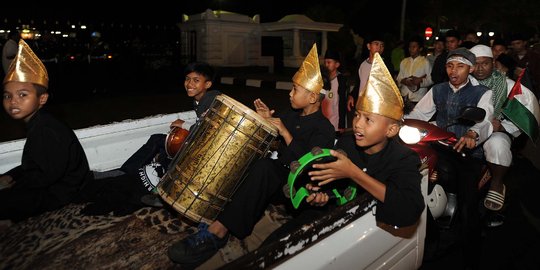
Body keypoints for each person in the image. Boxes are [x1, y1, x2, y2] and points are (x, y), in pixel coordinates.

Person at [166, 44, 335, 268]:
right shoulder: (291, 114)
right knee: (245, 157)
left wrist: (285, 133)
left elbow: (313, 168)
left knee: (264, 167)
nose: (290, 93)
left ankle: (218, 232)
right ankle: (210, 208)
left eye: (295, 89)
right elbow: (273, 141)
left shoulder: (324, 128)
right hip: (276, 175)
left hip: (297, 187)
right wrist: (266, 121)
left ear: (313, 97)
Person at [296, 52, 426, 232]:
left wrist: (354, 173)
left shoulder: (403, 159)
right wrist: (321, 194)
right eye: (357, 115)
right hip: (334, 222)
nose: (357, 124)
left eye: (368, 120)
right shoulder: (347, 143)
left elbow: (409, 209)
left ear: (391, 130)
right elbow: (333, 186)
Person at [406, 47, 494, 269]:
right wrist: (397, 121)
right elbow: (418, 114)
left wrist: (473, 134)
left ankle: (471, 256)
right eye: (450, 65)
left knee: (468, 206)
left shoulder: (482, 92)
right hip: (439, 146)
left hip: (467, 152)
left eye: (460, 66)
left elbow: (484, 120)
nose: (454, 71)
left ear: (471, 69)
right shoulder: (438, 89)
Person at [0, 40, 93, 224]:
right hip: (52, 184)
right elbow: (35, 166)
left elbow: (44, 176)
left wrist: (13, 187)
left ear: (42, 99)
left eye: (22, 95)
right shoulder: (38, 123)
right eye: (7, 96)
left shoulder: (47, 130)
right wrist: (12, 175)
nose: (13, 102)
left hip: (65, 192)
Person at [120, 62, 221, 201]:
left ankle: (128, 174)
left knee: (159, 141)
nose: (189, 83)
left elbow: (206, 131)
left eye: (196, 80)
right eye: (187, 79)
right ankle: (156, 186)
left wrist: (183, 124)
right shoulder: (200, 100)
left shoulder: (211, 99)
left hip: (207, 149)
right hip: (202, 144)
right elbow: (203, 123)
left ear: (208, 84)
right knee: (165, 148)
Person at [469, 44, 540, 213]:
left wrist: (502, 127)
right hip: (465, 131)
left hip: (496, 132)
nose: (479, 68)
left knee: (497, 144)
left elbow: (523, 114)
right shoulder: (464, 82)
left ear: (493, 63)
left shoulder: (508, 85)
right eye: (475, 64)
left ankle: (497, 183)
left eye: (484, 63)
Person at [348, 34, 394, 112]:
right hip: (362, 106)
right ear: (369, 46)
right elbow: (359, 84)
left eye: (382, 45)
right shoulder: (362, 64)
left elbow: (390, 89)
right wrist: (352, 95)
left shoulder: (387, 66)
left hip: (378, 108)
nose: (379, 48)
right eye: (376, 44)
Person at [396, 35, 433, 112]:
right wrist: (404, 81)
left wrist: (419, 82)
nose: (411, 49)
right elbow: (399, 78)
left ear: (420, 49)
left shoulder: (425, 62)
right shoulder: (404, 61)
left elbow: (431, 79)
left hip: (418, 98)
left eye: (414, 47)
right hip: (404, 97)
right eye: (410, 47)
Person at [321, 49, 351, 131]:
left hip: (335, 122)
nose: (326, 65)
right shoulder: (322, 79)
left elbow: (342, 102)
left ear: (337, 64)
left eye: (329, 62)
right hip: (322, 120)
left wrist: (341, 124)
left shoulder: (341, 80)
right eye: (325, 62)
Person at [508, 33, 540, 99]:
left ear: (524, 43)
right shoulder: (510, 57)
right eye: (513, 44)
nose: (516, 46)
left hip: (532, 91)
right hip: (515, 93)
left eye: (518, 43)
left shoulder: (535, 57)